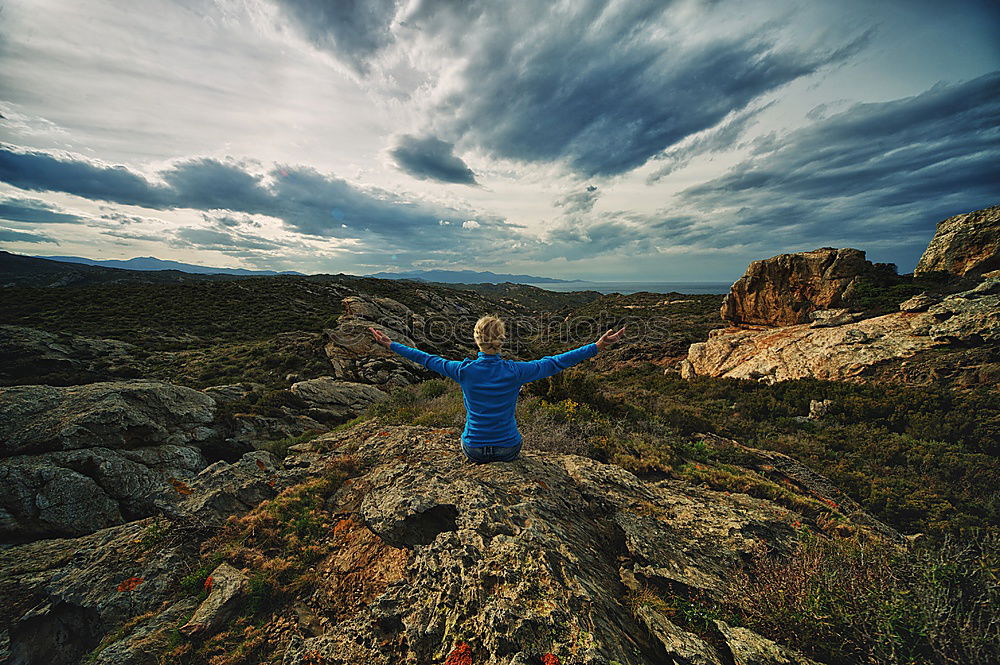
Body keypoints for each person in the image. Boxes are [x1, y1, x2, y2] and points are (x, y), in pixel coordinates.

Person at [369, 315, 626, 464]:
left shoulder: (463, 370)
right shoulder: (514, 372)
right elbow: (555, 362)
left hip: (473, 449)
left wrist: (392, 344)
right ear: (502, 340)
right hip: (508, 448)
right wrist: (596, 346)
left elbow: (426, 358)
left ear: (476, 339)